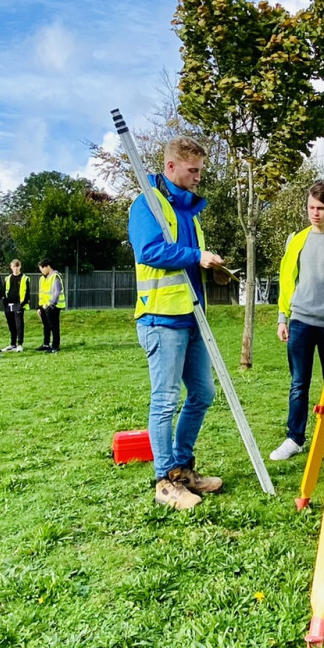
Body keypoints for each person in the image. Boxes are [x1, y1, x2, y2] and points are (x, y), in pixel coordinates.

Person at [129, 135, 226, 510]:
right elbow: (150, 250)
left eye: (200, 169)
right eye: (192, 170)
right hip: (161, 317)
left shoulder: (188, 211)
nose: (199, 176)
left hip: (192, 315)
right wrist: (195, 255)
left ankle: (182, 469)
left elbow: (191, 258)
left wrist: (212, 267)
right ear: (171, 167)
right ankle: (164, 481)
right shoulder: (146, 205)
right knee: (165, 400)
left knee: (203, 394)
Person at [270, 181, 324, 462]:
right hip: (301, 322)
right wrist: (283, 318)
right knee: (298, 384)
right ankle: (294, 438)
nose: (314, 213)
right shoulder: (297, 240)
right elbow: (286, 280)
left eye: (320, 208)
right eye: (311, 207)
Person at [37, 260, 64, 352]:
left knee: (54, 326)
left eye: (42, 268)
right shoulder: (45, 278)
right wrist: (40, 307)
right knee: (46, 326)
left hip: (53, 306)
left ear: (48, 266)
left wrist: (52, 304)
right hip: (45, 306)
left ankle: (55, 346)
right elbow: (43, 294)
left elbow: (56, 292)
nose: (41, 271)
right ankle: (46, 344)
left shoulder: (55, 276)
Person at [3, 258, 30, 352]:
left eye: (17, 266)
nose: (16, 268)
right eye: (14, 266)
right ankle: (12, 344)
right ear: (11, 267)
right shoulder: (7, 278)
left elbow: (27, 293)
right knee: (11, 325)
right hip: (8, 304)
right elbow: (4, 292)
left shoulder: (25, 278)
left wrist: (22, 304)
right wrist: (5, 304)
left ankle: (20, 344)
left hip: (19, 304)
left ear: (20, 266)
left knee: (19, 325)